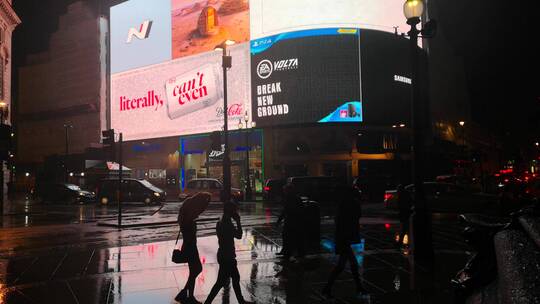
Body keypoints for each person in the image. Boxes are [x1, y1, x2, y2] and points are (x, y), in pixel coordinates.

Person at [204, 203, 255, 304]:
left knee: (233, 278)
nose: (236, 212)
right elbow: (239, 235)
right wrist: (238, 221)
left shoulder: (220, 221)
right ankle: (208, 302)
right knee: (221, 282)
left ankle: (240, 301)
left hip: (223, 254)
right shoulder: (227, 224)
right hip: (227, 256)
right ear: (230, 211)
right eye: (234, 210)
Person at [322, 186, 365, 298]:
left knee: (346, 265)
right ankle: (328, 288)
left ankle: (358, 287)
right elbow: (356, 216)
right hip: (345, 239)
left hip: (343, 238)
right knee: (346, 265)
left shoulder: (344, 204)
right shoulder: (351, 204)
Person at [175, 193, 211, 304]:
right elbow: (189, 237)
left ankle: (187, 294)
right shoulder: (189, 222)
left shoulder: (186, 216)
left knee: (194, 271)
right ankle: (187, 295)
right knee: (196, 269)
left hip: (189, 246)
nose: (202, 210)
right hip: (190, 247)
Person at [275, 184, 304, 261]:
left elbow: (285, 210)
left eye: (285, 190)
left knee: (288, 237)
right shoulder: (295, 198)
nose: (284, 192)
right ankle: (292, 252)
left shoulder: (290, 198)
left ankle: (288, 252)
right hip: (294, 220)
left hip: (292, 221)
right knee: (292, 237)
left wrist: (279, 220)